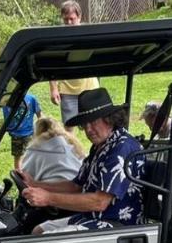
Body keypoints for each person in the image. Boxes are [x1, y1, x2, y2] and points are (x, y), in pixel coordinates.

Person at [21, 88, 145, 233]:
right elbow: (76, 186)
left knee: (47, 237)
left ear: (109, 119)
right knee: (39, 230)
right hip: (93, 217)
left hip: (115, 223)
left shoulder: (121, 148)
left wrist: (48, 198)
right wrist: (35, 184)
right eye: (85, 125)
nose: (88, 130)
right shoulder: (100, 146)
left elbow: (99, 202)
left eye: (93, 122)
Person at [49, 0, 99, 124]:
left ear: (79, 17)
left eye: (72, 19)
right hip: (67, 90)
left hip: (89, 88)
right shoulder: (56, 37)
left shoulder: (89, 33)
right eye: (66, 20)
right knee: (69, 127)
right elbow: (51, 63)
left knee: (94, 124)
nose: (69, 23)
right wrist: (53, 89)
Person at [19, 116, 85, 182]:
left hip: (51, 189)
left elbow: (25, 176)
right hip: (78, 188)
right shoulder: (73, 146)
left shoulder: (35, 150)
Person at [1, 90, 41, 168]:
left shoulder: (31, 98)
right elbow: (40, 115)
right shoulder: (7, 99)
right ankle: (19, 175)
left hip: (29, 133)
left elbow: (40, 115)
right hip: (16, 134)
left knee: (26, 157)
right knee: (19, 158)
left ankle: (24, 175)